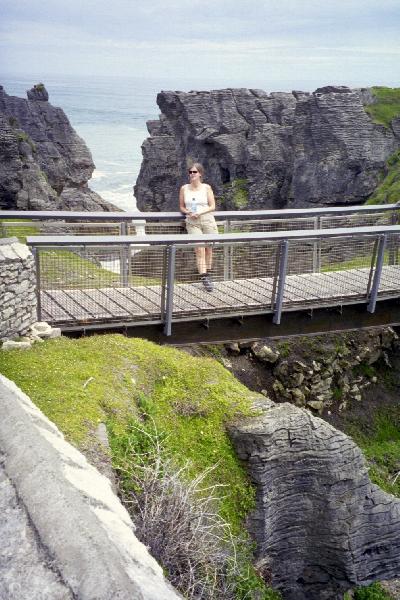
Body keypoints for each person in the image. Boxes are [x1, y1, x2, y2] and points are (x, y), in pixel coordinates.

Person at [179, 162, 218, 292]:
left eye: (194, 172)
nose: (191, 174)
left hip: (207, 220)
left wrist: (200, 212)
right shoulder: (184, 188)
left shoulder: (206, 188)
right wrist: (188, 212)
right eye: (190, 172)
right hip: (192, 222)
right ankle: (205, 278)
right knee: (199, 249)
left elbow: (212, 206)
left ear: (200, 173)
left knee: (209, 249)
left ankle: (209, 274)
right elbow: (182, 206)